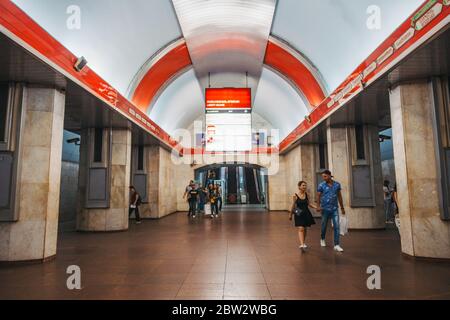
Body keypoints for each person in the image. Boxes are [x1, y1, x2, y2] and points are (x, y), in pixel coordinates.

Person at [316, 170, 345, 252]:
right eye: (323, 177)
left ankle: (336, 244)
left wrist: (342, 208)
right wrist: (318, 206)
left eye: (325, 176)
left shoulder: (337, 185)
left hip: (335, 209)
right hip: (325, 209)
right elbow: (318, 196)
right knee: (324, 225)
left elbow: (339, 196)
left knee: (336, 226)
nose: (323, 178)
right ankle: (322, 238)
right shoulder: (321, 185)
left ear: (329, 175)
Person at [290, 181, 318, 250]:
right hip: (299, 213)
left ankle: (303, 242)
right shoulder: (295, 195)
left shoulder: (306, 194)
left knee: (305, 229)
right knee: (301, 228)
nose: (304, 187)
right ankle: (302, 244)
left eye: (305, 185)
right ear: (299, 187)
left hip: (306, 213)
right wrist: (290, 215)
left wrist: (316, 207)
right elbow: (293, 206)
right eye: (303, 185)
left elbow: (309, 204)